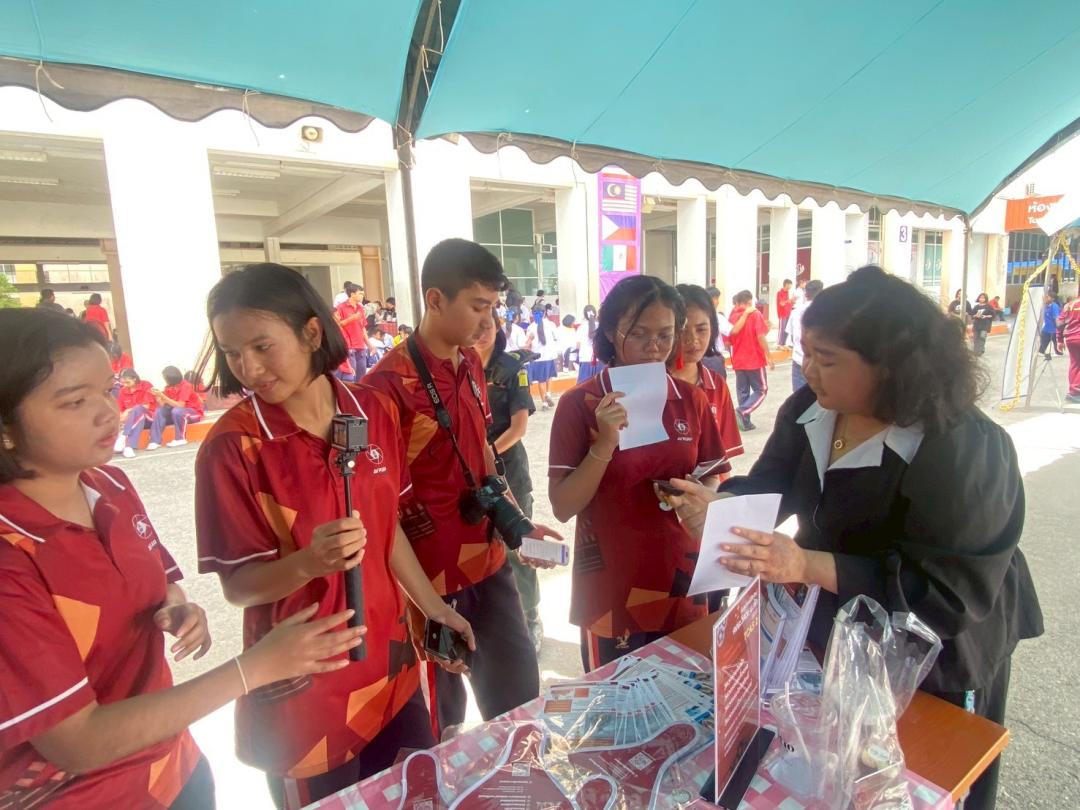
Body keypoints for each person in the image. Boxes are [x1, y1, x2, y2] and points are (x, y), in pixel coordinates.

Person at [667, 266, 1043, 810]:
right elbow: (772, 485)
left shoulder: (962, 447)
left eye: (826, 359)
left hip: (940, 645)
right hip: (843, 625)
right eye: (806, 354)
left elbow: (946, 594)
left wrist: (804, 565)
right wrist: (718, 508)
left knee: (928, 775)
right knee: (844, 764)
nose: (808, 371)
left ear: (890, 367)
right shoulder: (812, 409)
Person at [0, 308, 360, 809]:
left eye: (107, 391)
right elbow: (78, 742)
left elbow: (160, 586)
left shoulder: (110, 486)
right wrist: (254, 668)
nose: (108, 413)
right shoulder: (11, 555)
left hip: (173, 768)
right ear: (6, 426)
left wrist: (177, 608)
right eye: (75, 401)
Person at [194, 264, 474, 808]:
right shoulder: (234, 448)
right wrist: (307, 563)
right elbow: (239, 587)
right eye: (232, 353)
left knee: (414, 797)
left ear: (311, 332)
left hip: (391, 670)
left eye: (262, 346)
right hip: (305, 693)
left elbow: (386, 529)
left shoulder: (373, 410)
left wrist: (435, 608)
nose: (248, 368)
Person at [364, 239, 560, 738]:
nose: (487, 321)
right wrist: (428, 605)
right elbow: (379, 513)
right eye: (478, 306)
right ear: (435, 299)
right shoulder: (383, 389)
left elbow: (484, 458)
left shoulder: (471, 364)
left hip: (489, 565)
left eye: (492, 307)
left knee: (520, 707)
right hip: (426, 586)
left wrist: (520, 526)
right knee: (439, 730)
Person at [548, 275, 729, 671]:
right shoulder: (579, 404)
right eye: (639, 334)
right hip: (611, 588)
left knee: (688, 694)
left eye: (665, 335)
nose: (654, 348)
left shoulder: (691, 399)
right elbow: (562, 506)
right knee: (616, 702)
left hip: (681, 577)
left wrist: (697, 494)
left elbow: (713, 473)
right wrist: (603, 444)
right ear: (611, 331)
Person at [475, 312, 544, 652]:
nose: (479, 332)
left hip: (508, 470)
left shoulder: (512, 368)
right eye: (473, 325)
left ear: (498, 327)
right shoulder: (456, 368)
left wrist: (482, 454)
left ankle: (530, 617)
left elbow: (518, 429)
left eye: (486, 325)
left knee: (520, 548)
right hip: (469, 474)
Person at [671, 284, 743, 461]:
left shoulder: (717, 385)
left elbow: (722, 459)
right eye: (682, 330)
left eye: (701, 329)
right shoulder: (651, 383)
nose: (693, 340)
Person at [728, 289, 774, 431]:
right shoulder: (755, 314)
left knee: (743, 391)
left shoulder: (732, 316)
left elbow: (729, 339)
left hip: (738, 359)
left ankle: (745, 422)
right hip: (754, 359)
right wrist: (768, 355)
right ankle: (742, 411)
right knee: (762, 390)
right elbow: (760, 336)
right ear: (749, 301)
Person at [147, 367, 204, 450]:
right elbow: (163, 405)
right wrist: (158, 397)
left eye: (165, 378)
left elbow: (180, 405)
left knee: (177, 411)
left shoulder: (186, 386)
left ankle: (180, 439)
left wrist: (163, 396)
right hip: (177, 414)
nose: (165, 380)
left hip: (193, 413)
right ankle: (155, 441)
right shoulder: (168, 388)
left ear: (171, 378)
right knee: (159, 411)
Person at [114, 368, 157, 458]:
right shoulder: (123, 390)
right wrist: (122, 418)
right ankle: (128, 447)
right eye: (123, 383)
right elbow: (120, 410)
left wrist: (128, 410)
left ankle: (124, 437)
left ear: (134, 378)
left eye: (127, 382)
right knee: (136, 417)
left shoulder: (146, 385)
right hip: (135, 420)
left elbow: (146, 406)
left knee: (138, 409)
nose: (125, 385)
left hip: (149, 417)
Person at [789, 279, 824, 391]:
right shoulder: (826, 311)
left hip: (799, 359)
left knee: (799, 397)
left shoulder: (795, 312)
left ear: (806, 294)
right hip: (819, 362)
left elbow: (792, 337)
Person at [525, 309, 559, 409]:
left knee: (541, 380)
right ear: (544, 313)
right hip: (549, 355)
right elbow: (556, 338)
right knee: (549, 376)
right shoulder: (551, 324)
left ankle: (544, 402)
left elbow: (528, 343)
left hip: (537, 358)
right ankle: (548, 393)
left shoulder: (531, 327)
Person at [334, 282, 367, 382]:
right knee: (351, 376)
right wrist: (351, 318)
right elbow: (337, 325)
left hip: (361, 345)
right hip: (349, 345)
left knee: (362, 375)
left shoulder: (360, 308)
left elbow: (363, 327)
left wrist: (369, 344)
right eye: (360, 293)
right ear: (352, 294)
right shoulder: (340, 307)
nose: (362, 296)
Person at [703, 286, 731, 381]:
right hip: (713, 357)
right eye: (716, 299)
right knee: (718, 385)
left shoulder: (699, 315)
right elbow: (733, 331)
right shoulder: (717, 317)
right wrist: (747, 314)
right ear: (711, 299)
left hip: (701, 358)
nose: (718, 302)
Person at [1058, 296, 1080, 404]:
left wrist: (1060, 340)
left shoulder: (1069, 305)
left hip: (1071, 338)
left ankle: (1073, 392)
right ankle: (1075, 392)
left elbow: (1060, 322)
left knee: (1075, 364)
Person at [576, 304, 604, 383]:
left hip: (585, 359)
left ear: (585, 315)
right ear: (595, 313)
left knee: (584, 385)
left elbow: (578, 346)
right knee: (600, 384)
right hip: (600, 359)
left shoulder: (581, 328)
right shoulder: (601, 326)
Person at [1038, 292, 1063, 358]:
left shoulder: (1054, 306)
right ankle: (1042, 351)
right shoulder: (1046, 306)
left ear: (1053, 299)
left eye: (1047, 297)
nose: (1046, 298)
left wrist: (1059, 328)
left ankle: (1057, 352)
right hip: (1046, 329)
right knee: (1041, 348)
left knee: (1057, 347)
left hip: (1053, 330)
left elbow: (1056, 318)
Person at [776, 279, 794, 347]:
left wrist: (792, 301)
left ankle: (783, 343)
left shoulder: (788, 293)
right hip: (782, 314)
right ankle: (779, 343)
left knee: (787, 329)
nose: (790, 286)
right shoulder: (780, 293)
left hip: (788, 313)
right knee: (782, 329)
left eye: (791, 285)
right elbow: (781, 303)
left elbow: (788, 303)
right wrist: (788, 301)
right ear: (786, 284)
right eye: (789, 285)